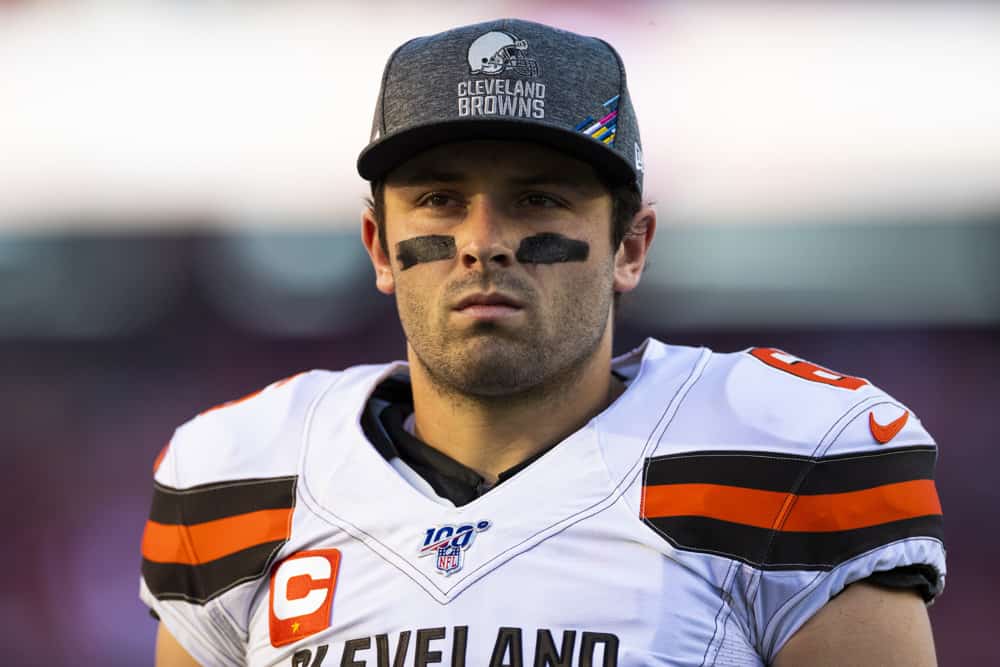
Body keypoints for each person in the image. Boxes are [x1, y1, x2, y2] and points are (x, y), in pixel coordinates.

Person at [140, 18, 945, 667]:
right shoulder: (240, 476)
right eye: (439, 200)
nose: (482, 242)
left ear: (631, 245)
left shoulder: (784, 455)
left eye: (536, 200)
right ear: (380, 246)